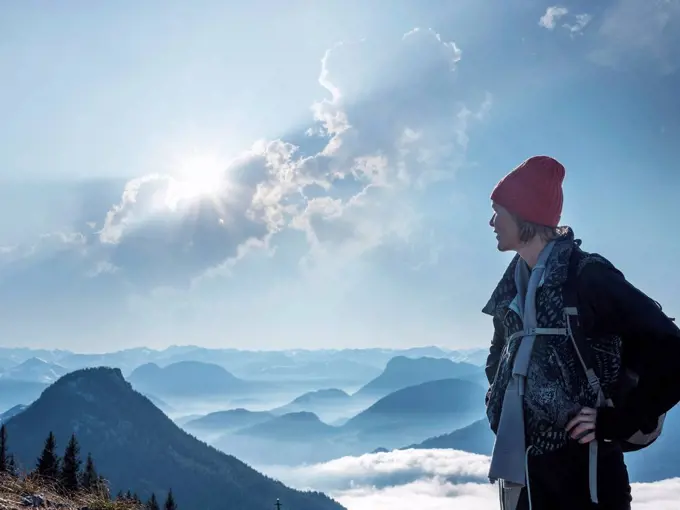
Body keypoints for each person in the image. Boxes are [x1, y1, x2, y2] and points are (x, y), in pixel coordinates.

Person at [482, 155, 680, 510]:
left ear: (524, 213)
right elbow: (499, 355)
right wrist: (497, 393)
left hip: (587, 479)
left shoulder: (587, 278)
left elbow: (672, 350)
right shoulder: (511, 290)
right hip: (526, 474)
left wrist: (618, 420)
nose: (492, 221)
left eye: (499, 211)